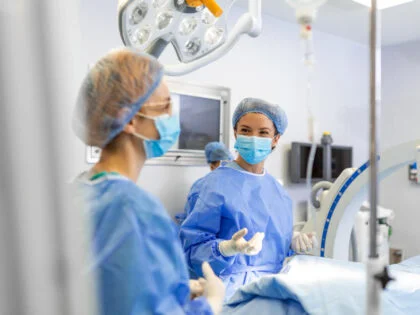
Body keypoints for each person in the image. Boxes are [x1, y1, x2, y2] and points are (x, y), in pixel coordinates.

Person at [71, 48, 225, 315]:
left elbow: (107, 289)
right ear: (129, 119)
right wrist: (210, 304)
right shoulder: (134, 211)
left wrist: (169, 287)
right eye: (165, 105)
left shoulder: (78, 192)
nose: (172, 116)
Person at [179, 98, 317, 300]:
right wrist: (226, 248)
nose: (253, 137)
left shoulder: (279, 193)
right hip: (227, 295)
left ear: (276, 139)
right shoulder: (211, 186)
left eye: (263, 132)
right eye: (245, 130)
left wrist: (292, 241)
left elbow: (274, 246)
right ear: (235, 133)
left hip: (273, 290)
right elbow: (193, 251)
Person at [175, 142, 233, 226]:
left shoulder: (235, 184)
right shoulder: (201, 187)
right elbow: (193, 221)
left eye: (228, 163)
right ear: (212, 166)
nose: (226, 167)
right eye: (222, 163)